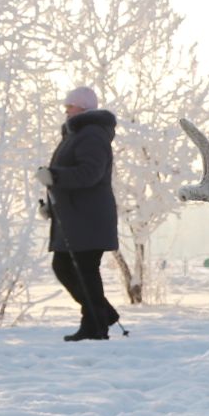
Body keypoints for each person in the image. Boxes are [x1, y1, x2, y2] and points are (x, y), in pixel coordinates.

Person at [37, 86, 121, 341]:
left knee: (82, 269)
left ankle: (96, 323)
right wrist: (50, 208)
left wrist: (55, 176)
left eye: (70, 106)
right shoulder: (77, 135)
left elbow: (90, 173)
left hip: (88, 218)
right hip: (75, 218)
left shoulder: (92, 135)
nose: (66, 110)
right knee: (66, 267)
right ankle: (100, 316)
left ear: (83, 108)